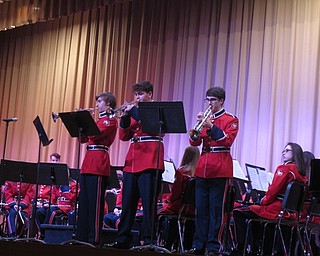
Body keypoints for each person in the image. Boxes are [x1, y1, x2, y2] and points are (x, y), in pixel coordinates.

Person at [111, 80, 165, 248]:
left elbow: (153, 126)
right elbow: (123, 137)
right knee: (127, 203)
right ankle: (122, 239)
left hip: (150, 159)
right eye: (136, 95)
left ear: (150, 94)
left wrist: (133, 111)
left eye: (140, 94)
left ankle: (148, 240)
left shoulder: (158, 109)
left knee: (148, 204)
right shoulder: (135, 111)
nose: (137, 98)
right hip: (132, 160)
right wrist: (125, 118)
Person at [188, 86, 239, 255]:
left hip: (220, 168)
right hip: (203, 167)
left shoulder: (231, 119)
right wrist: (196, 131)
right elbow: (194, 143)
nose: (210, 103)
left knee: (216, 211)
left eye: (213, 100)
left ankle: (213, 246)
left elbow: (226, 141)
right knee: (201, 210)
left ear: (221, 101)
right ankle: (198, 245)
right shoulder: (206, 118)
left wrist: (211, 126)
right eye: (208, 99)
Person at [233, 142, 308, 255]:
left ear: (295, 154)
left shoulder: (285, 168)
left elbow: (273, 191)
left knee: (238, 211)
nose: (283, 152)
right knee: (256, 215)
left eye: (287, 150)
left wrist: (263, 201)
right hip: (290, 212)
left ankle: (241, 248)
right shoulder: (302, 175)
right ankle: (261, 249)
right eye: (283, 150)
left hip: (276, 209)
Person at [75, 92, 118, 245]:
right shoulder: (99, 120)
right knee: (85, 204)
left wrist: (85, 121)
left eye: (100, 101)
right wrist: (79, 122)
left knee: (95, 205)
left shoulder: (110, 121)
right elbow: (83, 138)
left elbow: (96, 134)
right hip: (88, 162)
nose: (97, 104)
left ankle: (94, 239)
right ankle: (81, 237)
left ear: (109, 105)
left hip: (99, 162)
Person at [157, 146, 200, 251]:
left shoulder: (182, 172)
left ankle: (166, 244)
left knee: (159, 212)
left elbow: (175, 194)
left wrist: (168, 200)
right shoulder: (200, 173)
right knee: (188, 221)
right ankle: (186, 246)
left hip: (181, 207)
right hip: (196, 209)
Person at [35, 153, 61, 238]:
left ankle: (46, 233)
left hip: (55, 204)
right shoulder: (45, 174)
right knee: (38, 212)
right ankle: (39, 232)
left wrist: (50, 203)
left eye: (57, 161)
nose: (55, 163)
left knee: (49, 211)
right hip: (45, 203)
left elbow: (56, 193)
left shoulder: (60, 174)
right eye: (53, 160)